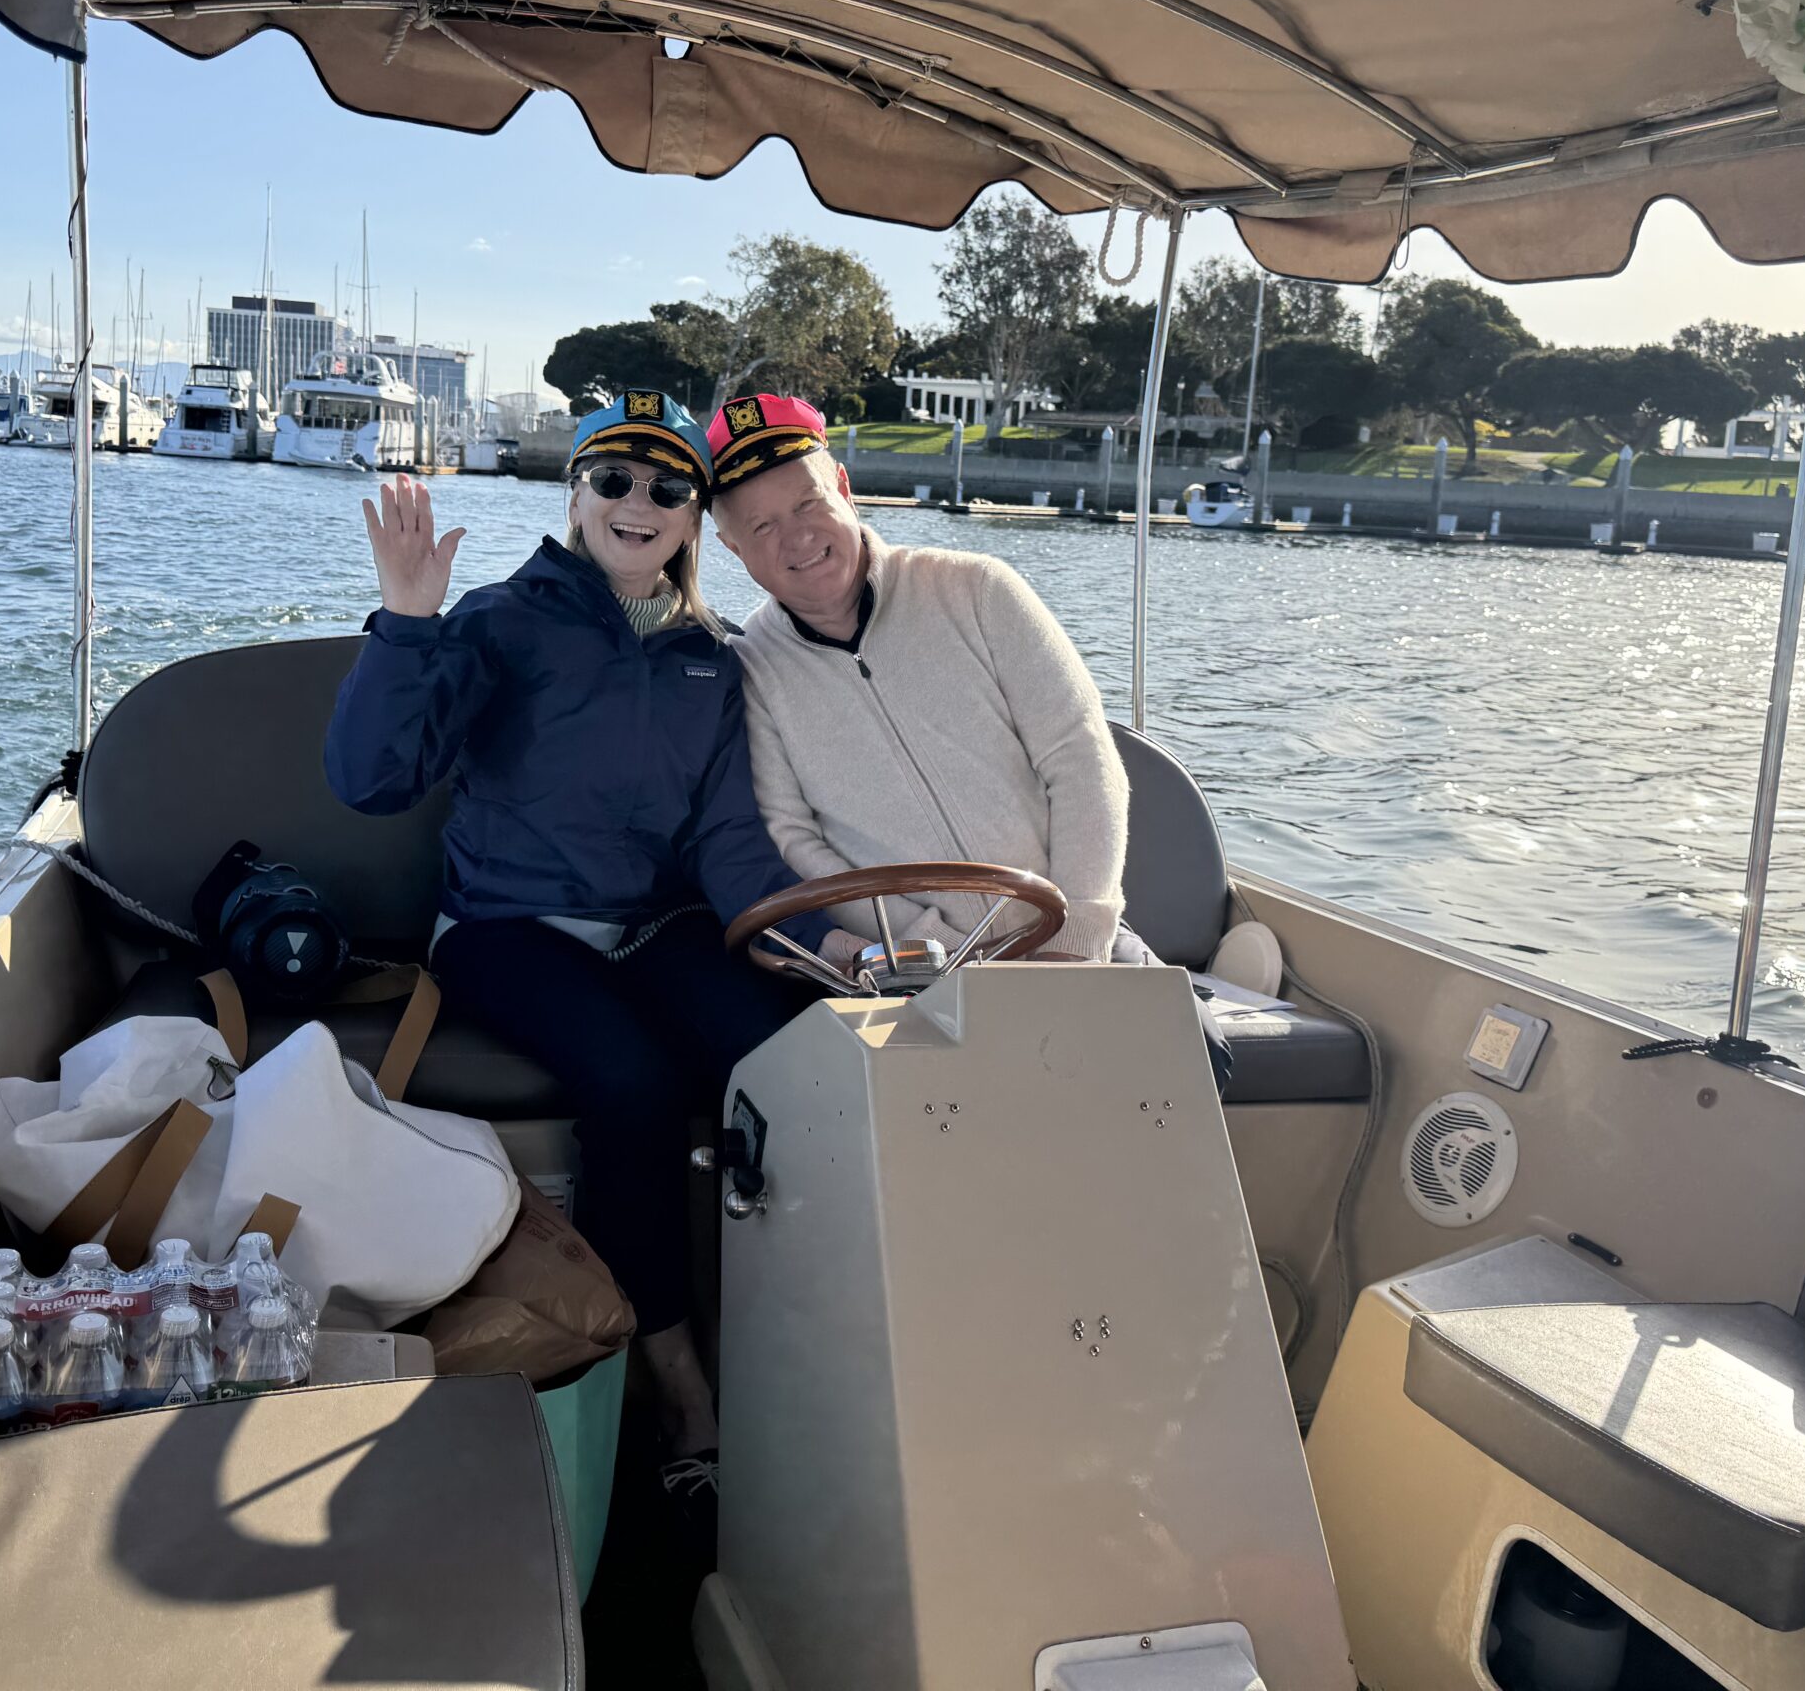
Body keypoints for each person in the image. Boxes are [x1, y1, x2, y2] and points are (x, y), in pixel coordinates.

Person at [323, 388, 828, 1505]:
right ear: (575, 494)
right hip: (504, 926)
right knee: (633, 1083)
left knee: (793, 1058)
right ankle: (675, 1389)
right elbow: (371, 780)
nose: (637, 502)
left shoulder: (713, 659)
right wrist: (406, 620)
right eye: (612, 478)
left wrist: (821, 947)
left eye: (667, 487)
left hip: (655, 925)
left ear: (693, 519)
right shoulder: (500, 622)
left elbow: (729, 842)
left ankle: (814, 1345)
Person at [705, 393, 1231, 1083]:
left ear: (844, 488)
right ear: (733, 548)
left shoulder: (980, 589)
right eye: (762, 525)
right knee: (935, 1104)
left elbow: (1081, 760)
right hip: (912, 963)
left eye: (807, 503)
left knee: (1192, 1060)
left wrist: (1072, 945)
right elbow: (794, 840)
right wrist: (936, 948)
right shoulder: (750, 669)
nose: (796, 537)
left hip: (1068, 929)